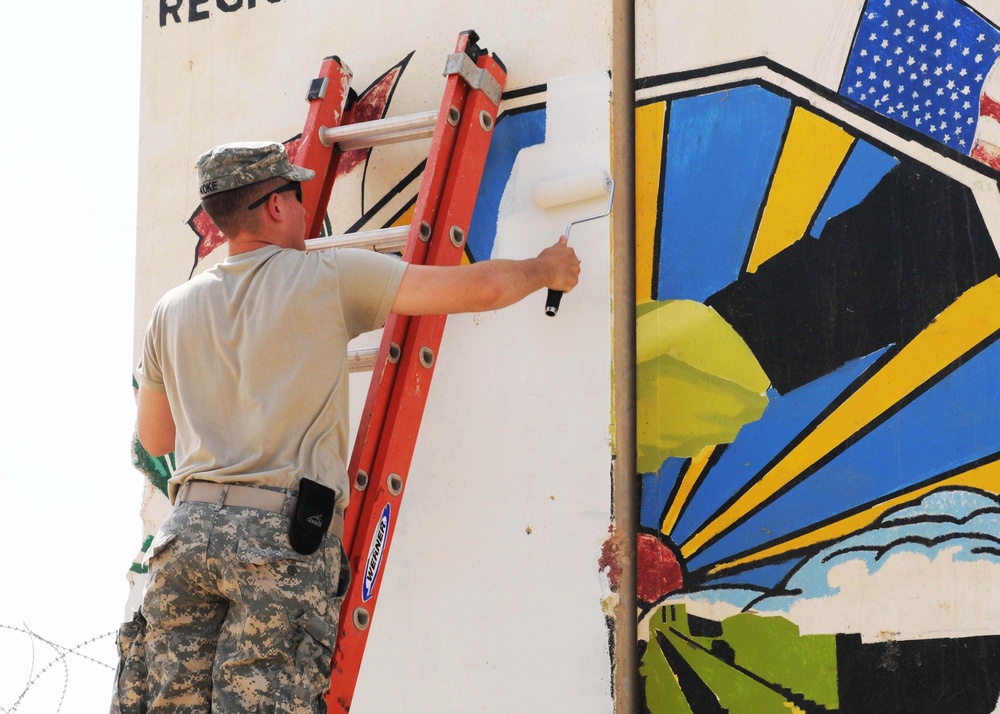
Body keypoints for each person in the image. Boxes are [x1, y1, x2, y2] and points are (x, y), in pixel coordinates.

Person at [110, 141, 581, 713]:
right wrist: (547, 268)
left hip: (184, 539)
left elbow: (156, 440)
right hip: (276, 541)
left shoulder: (171, 309)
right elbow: (478, 288)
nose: (307, 212)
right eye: (300, 196)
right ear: (277, 205)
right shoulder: (326, 277)